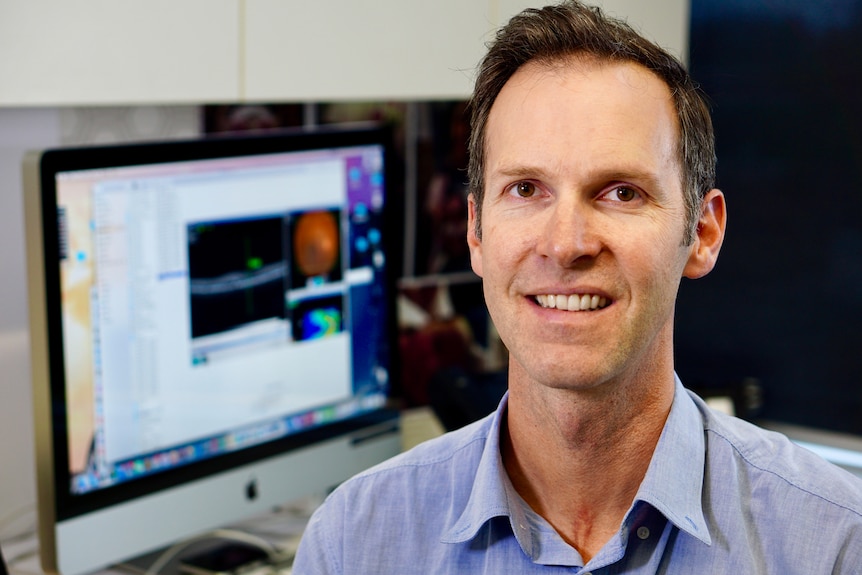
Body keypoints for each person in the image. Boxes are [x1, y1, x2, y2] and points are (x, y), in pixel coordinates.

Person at [293, 2, 862, 572]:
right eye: (525, 189)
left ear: (703, 232)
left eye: (620, 192)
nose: (566, 244)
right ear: (475, 232)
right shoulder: (353, 542)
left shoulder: (834, 543)